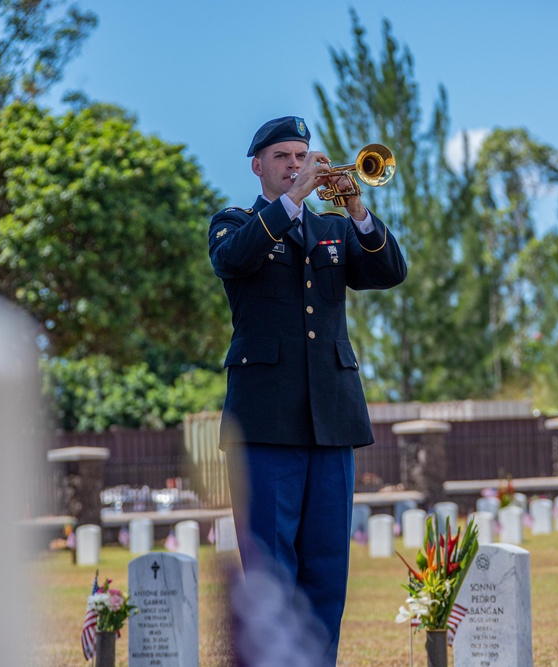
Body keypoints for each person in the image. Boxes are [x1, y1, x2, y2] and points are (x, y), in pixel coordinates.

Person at [208, 116, 407, 663]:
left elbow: (390, 271)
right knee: (271, 572)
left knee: (326, 573)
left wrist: (357, 209)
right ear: (258, 166)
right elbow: (234, 259)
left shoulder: (335, 230)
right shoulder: (234, 223)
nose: (296, 165)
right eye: (282, 158)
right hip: (266, 425)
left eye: (302, 156)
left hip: (332, 422)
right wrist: (293, 199)